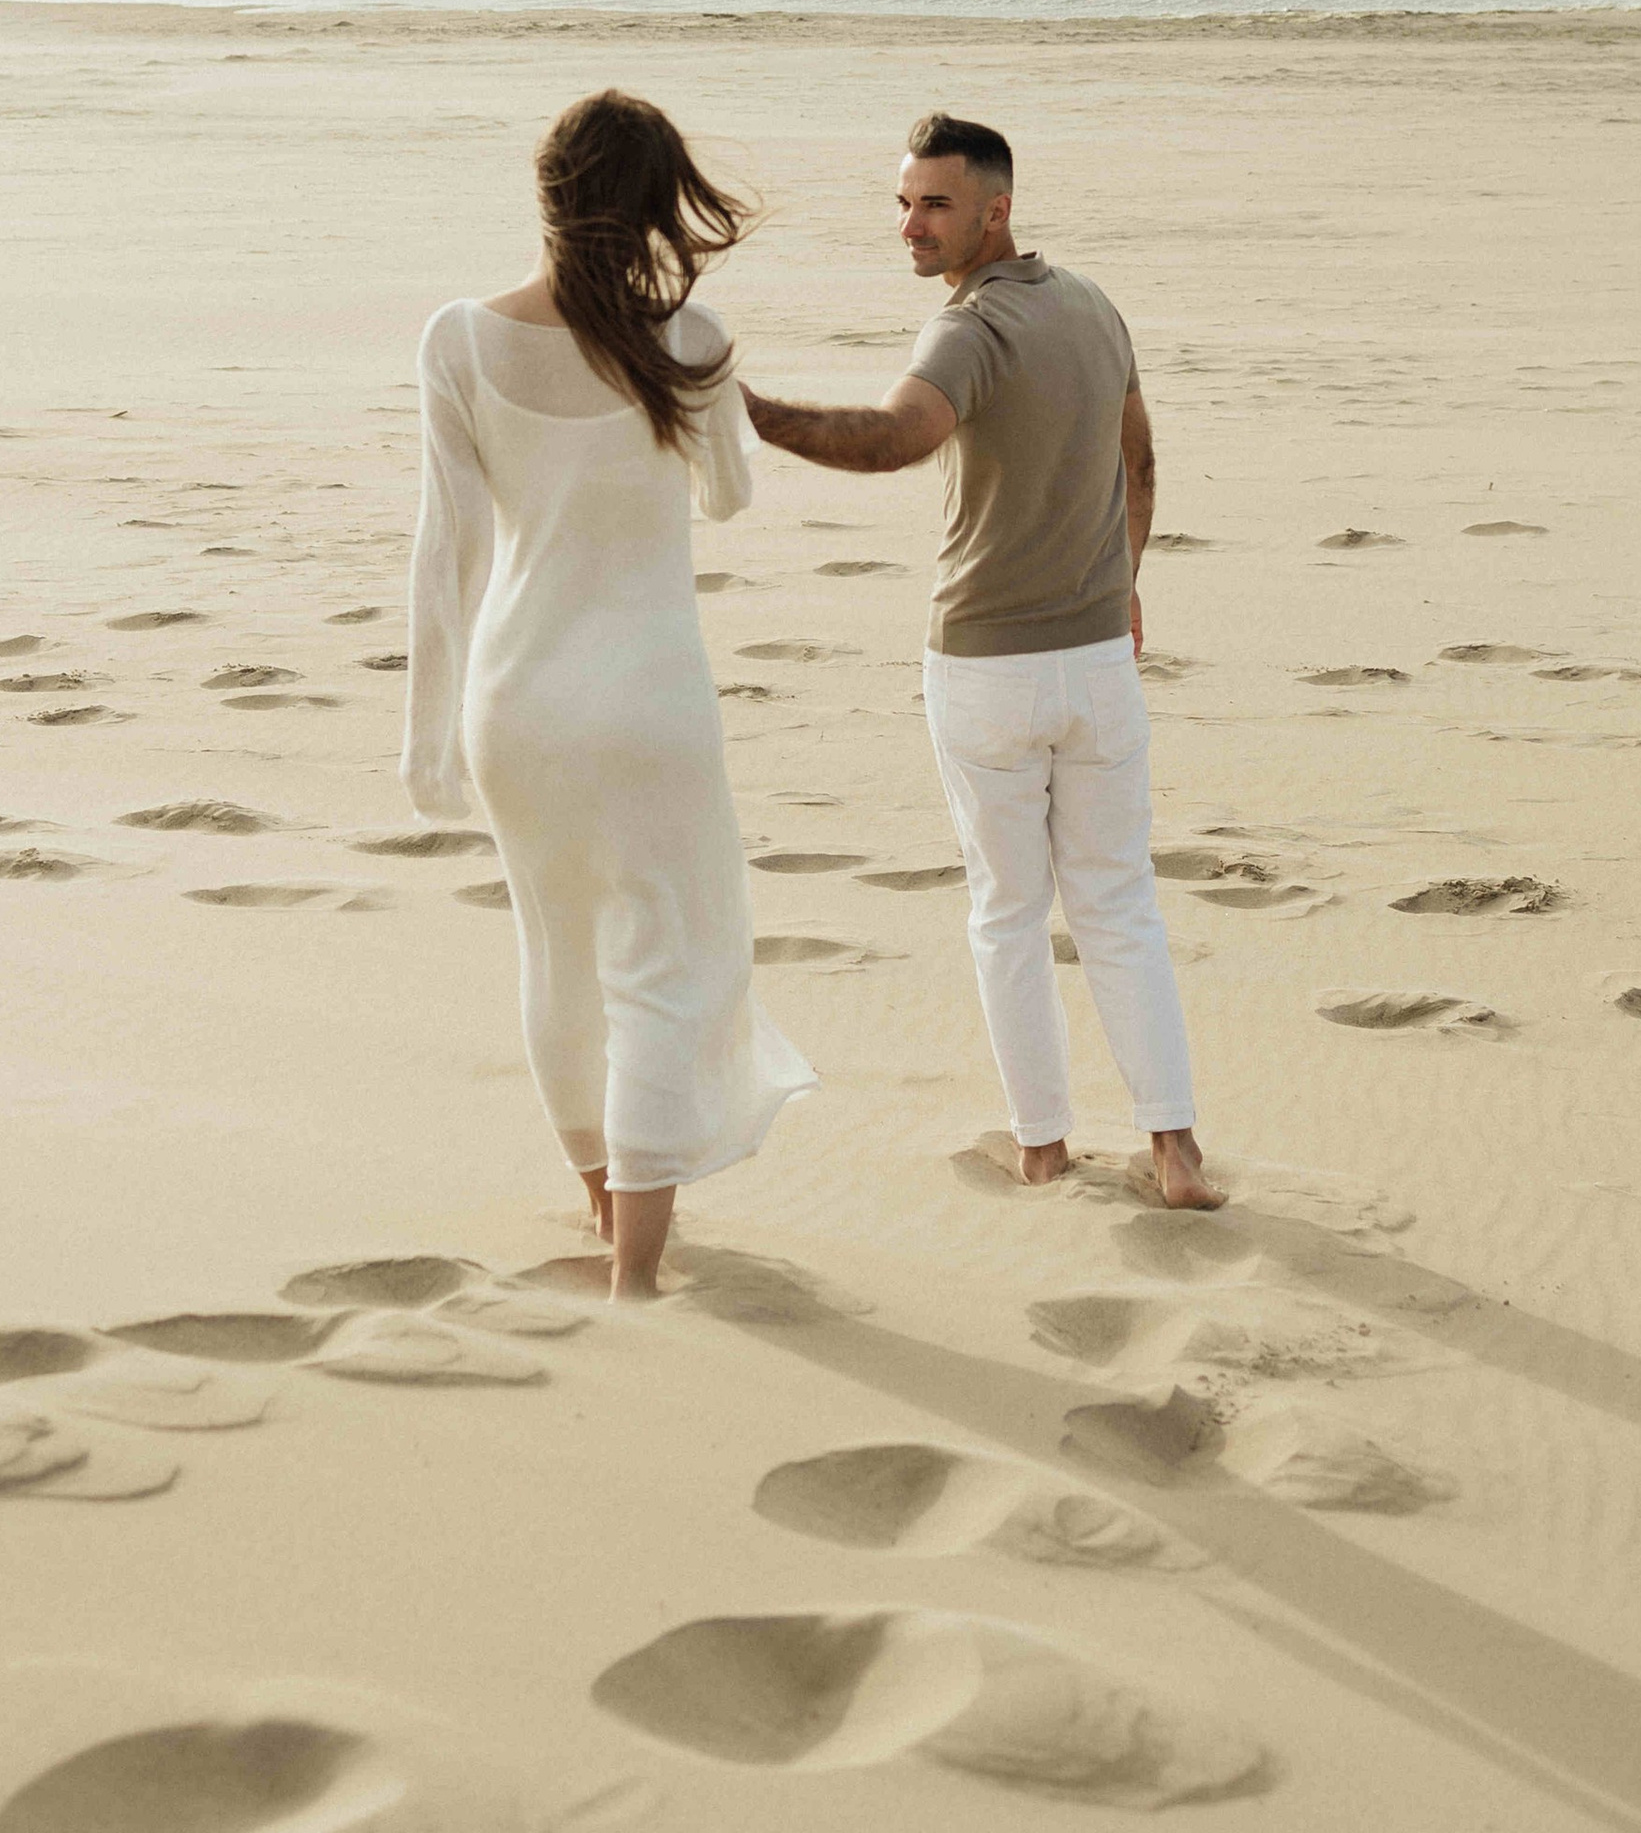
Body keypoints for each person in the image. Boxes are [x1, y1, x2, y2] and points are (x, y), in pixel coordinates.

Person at [740, 109, 1218, 1208]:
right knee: (1118, 905)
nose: (910, 224)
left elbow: (896, 438)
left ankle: (1043, 1145)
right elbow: (1138, 462)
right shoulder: (1095, 308)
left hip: (988, 668)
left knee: (1008, 911)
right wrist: (1124, 580)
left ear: (995, 210)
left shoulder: (966, 333)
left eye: (934, 204)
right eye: (903, 202)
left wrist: (752, 412)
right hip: (1099, 659)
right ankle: (1172, 1150)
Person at [403, 89, 815, 1298]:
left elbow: (446, 554)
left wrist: (425, 743)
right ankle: (638, 1265)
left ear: (547, 199)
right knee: (659, 968)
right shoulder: (691, 342)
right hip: (648, 704)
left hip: (515, 699)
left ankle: (600, 1198)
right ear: (654, 208)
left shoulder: (458, 339)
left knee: (556, 956)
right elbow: (728, 496)